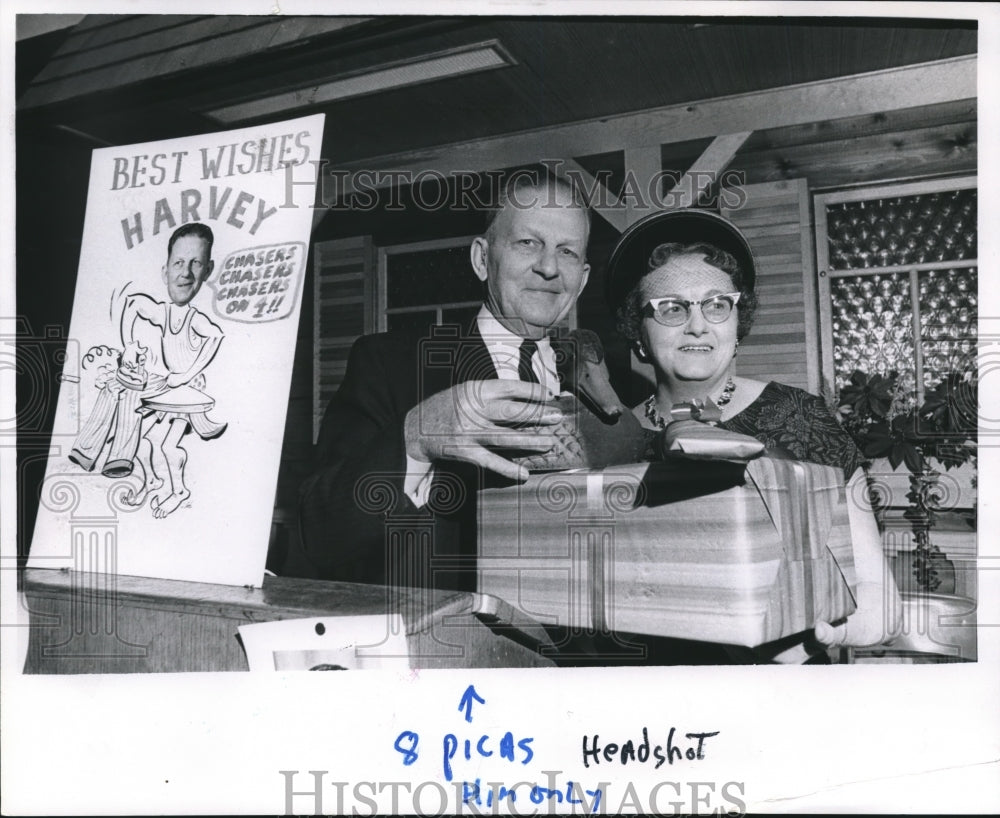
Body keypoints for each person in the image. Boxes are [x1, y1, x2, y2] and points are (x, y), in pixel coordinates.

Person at [606, 208, 901, 662]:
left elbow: (880, 603)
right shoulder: (612, 438)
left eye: (717, 303)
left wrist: (822, 634)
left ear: (736, 325)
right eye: (671, 308)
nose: (698, 324)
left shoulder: (797, 416)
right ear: (638, 335)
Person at [292, 175, 592, 591]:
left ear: (583, 278)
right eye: (528, 243)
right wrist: (415, 437)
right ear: (482, 260)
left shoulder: (598, 392)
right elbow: (319, 535)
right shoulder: (391, 364)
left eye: (568, 251)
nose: (549, 267)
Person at [69, 222, 226, 518]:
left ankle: (179, 491)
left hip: (186, 392)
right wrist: (128, 345)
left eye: (196, 263)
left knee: (167, 446)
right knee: (118, 388)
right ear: (165, 270)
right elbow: (135, 304)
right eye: (178, 263)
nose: (186, 272)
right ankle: (94, 452)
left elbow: (216, 336)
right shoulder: (164, 311)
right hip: (166, 384)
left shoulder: (195, 318)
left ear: (208, 270)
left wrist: (189, 373)